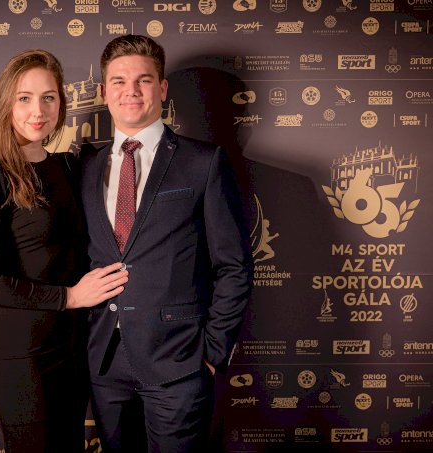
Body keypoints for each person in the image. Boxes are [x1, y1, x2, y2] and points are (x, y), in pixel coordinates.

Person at [80, 35, 253, 452]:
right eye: (119, 81)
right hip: (105, 362)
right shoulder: (85, 166)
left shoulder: (203, 161)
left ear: (161, 88)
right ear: (103, 92)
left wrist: (211, 352)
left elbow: (233, 266)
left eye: (143, 80)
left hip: (179, 362)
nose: (131, 91)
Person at [0, 49, 128, 453]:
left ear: (61, 104)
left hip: (74, 347)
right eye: (25, 98)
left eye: (48, 97)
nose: (38, 110)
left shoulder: (70, 167)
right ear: (6, 103)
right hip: (23, 352)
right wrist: (70, 297)